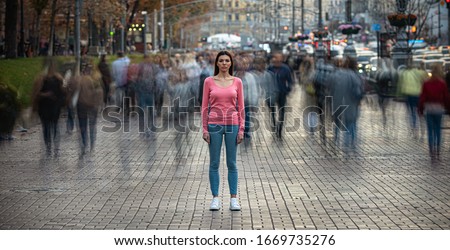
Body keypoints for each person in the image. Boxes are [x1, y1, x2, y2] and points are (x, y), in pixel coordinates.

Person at [201, 50, 245, 211]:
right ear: (217, 63)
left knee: (232, 163)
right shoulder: (209, 81)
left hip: (232, 124)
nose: (224, 63)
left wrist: (241, 129)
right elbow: (205, 107)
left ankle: (234, 198)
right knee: (214, 163)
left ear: (231, 63)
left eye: (227, 61)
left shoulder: (237, 82)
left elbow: (241, 107)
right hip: (214, 125)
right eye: (221, 61)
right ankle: (215, 198)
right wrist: (205, 128)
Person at [32, 57, 65, 157]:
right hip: (44, 107)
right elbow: (36, 93)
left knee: (54, 127)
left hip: (54, 107)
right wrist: (46, 95)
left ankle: (54, 147)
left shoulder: (58, 79)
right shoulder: (41, 79)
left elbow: (62, 93)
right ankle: (49, 147)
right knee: (46, 127)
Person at [418, 63, 449, 159]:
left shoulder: (426, 83)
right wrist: (447, 107)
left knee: (430, 130)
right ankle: (438, 148)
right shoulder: (442, 83)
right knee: (438, 129)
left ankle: (431, 149)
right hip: (439, 108)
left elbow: (422, 97)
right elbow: (446, 97)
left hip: (429, 108)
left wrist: (421, 109)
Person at [267, 52, 293, 138]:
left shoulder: (286, 69)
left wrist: (287, 89)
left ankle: (280, 128)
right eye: (275, 58)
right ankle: (274, 124)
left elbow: (290, 81)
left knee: (282, 111)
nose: (277, 60)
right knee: (272, 111)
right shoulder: (270, 68)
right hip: (271, 93)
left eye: (279, 58)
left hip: (282, 93)